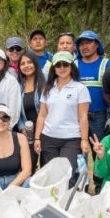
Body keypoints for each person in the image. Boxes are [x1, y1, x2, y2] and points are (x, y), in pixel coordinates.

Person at [34, 51, 91, 187]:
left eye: (65, 64)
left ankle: (67, 207)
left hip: (71, 138)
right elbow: (42, 115)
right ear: (54, 68)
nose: (62, 67)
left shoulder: (80, 88)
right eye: (58, 65)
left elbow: (83, 117)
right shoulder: (47, 88)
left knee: (68, 176)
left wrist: (84, 140)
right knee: (50, 176)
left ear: (71, 66)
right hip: (48, 137)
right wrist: (37, 138)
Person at [74, 30, 110, 192]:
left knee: (99, 153)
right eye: (81, 44)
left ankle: (99, 187)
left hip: (100, 117)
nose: (85, 46)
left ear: (96, 44)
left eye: (88, 42)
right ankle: (79, 188)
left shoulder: (107, 64)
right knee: (78, 154)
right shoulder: (73, 65)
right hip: (76, 118)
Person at [17, 50, 45, 174]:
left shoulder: (46, 82)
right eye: (22, 64)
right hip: (28, 131)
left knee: (47, 166)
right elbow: (16, 109)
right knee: (29, 166)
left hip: (46, 130)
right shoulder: (18, 85)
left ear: (35, 63)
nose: (26, 66)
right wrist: (21, 127)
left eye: (29, 62)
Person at [0, 48, 21, 129]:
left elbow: (14, 107)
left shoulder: (11, 80)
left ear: (5, 63)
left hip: (4, 127)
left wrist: (8, 127)